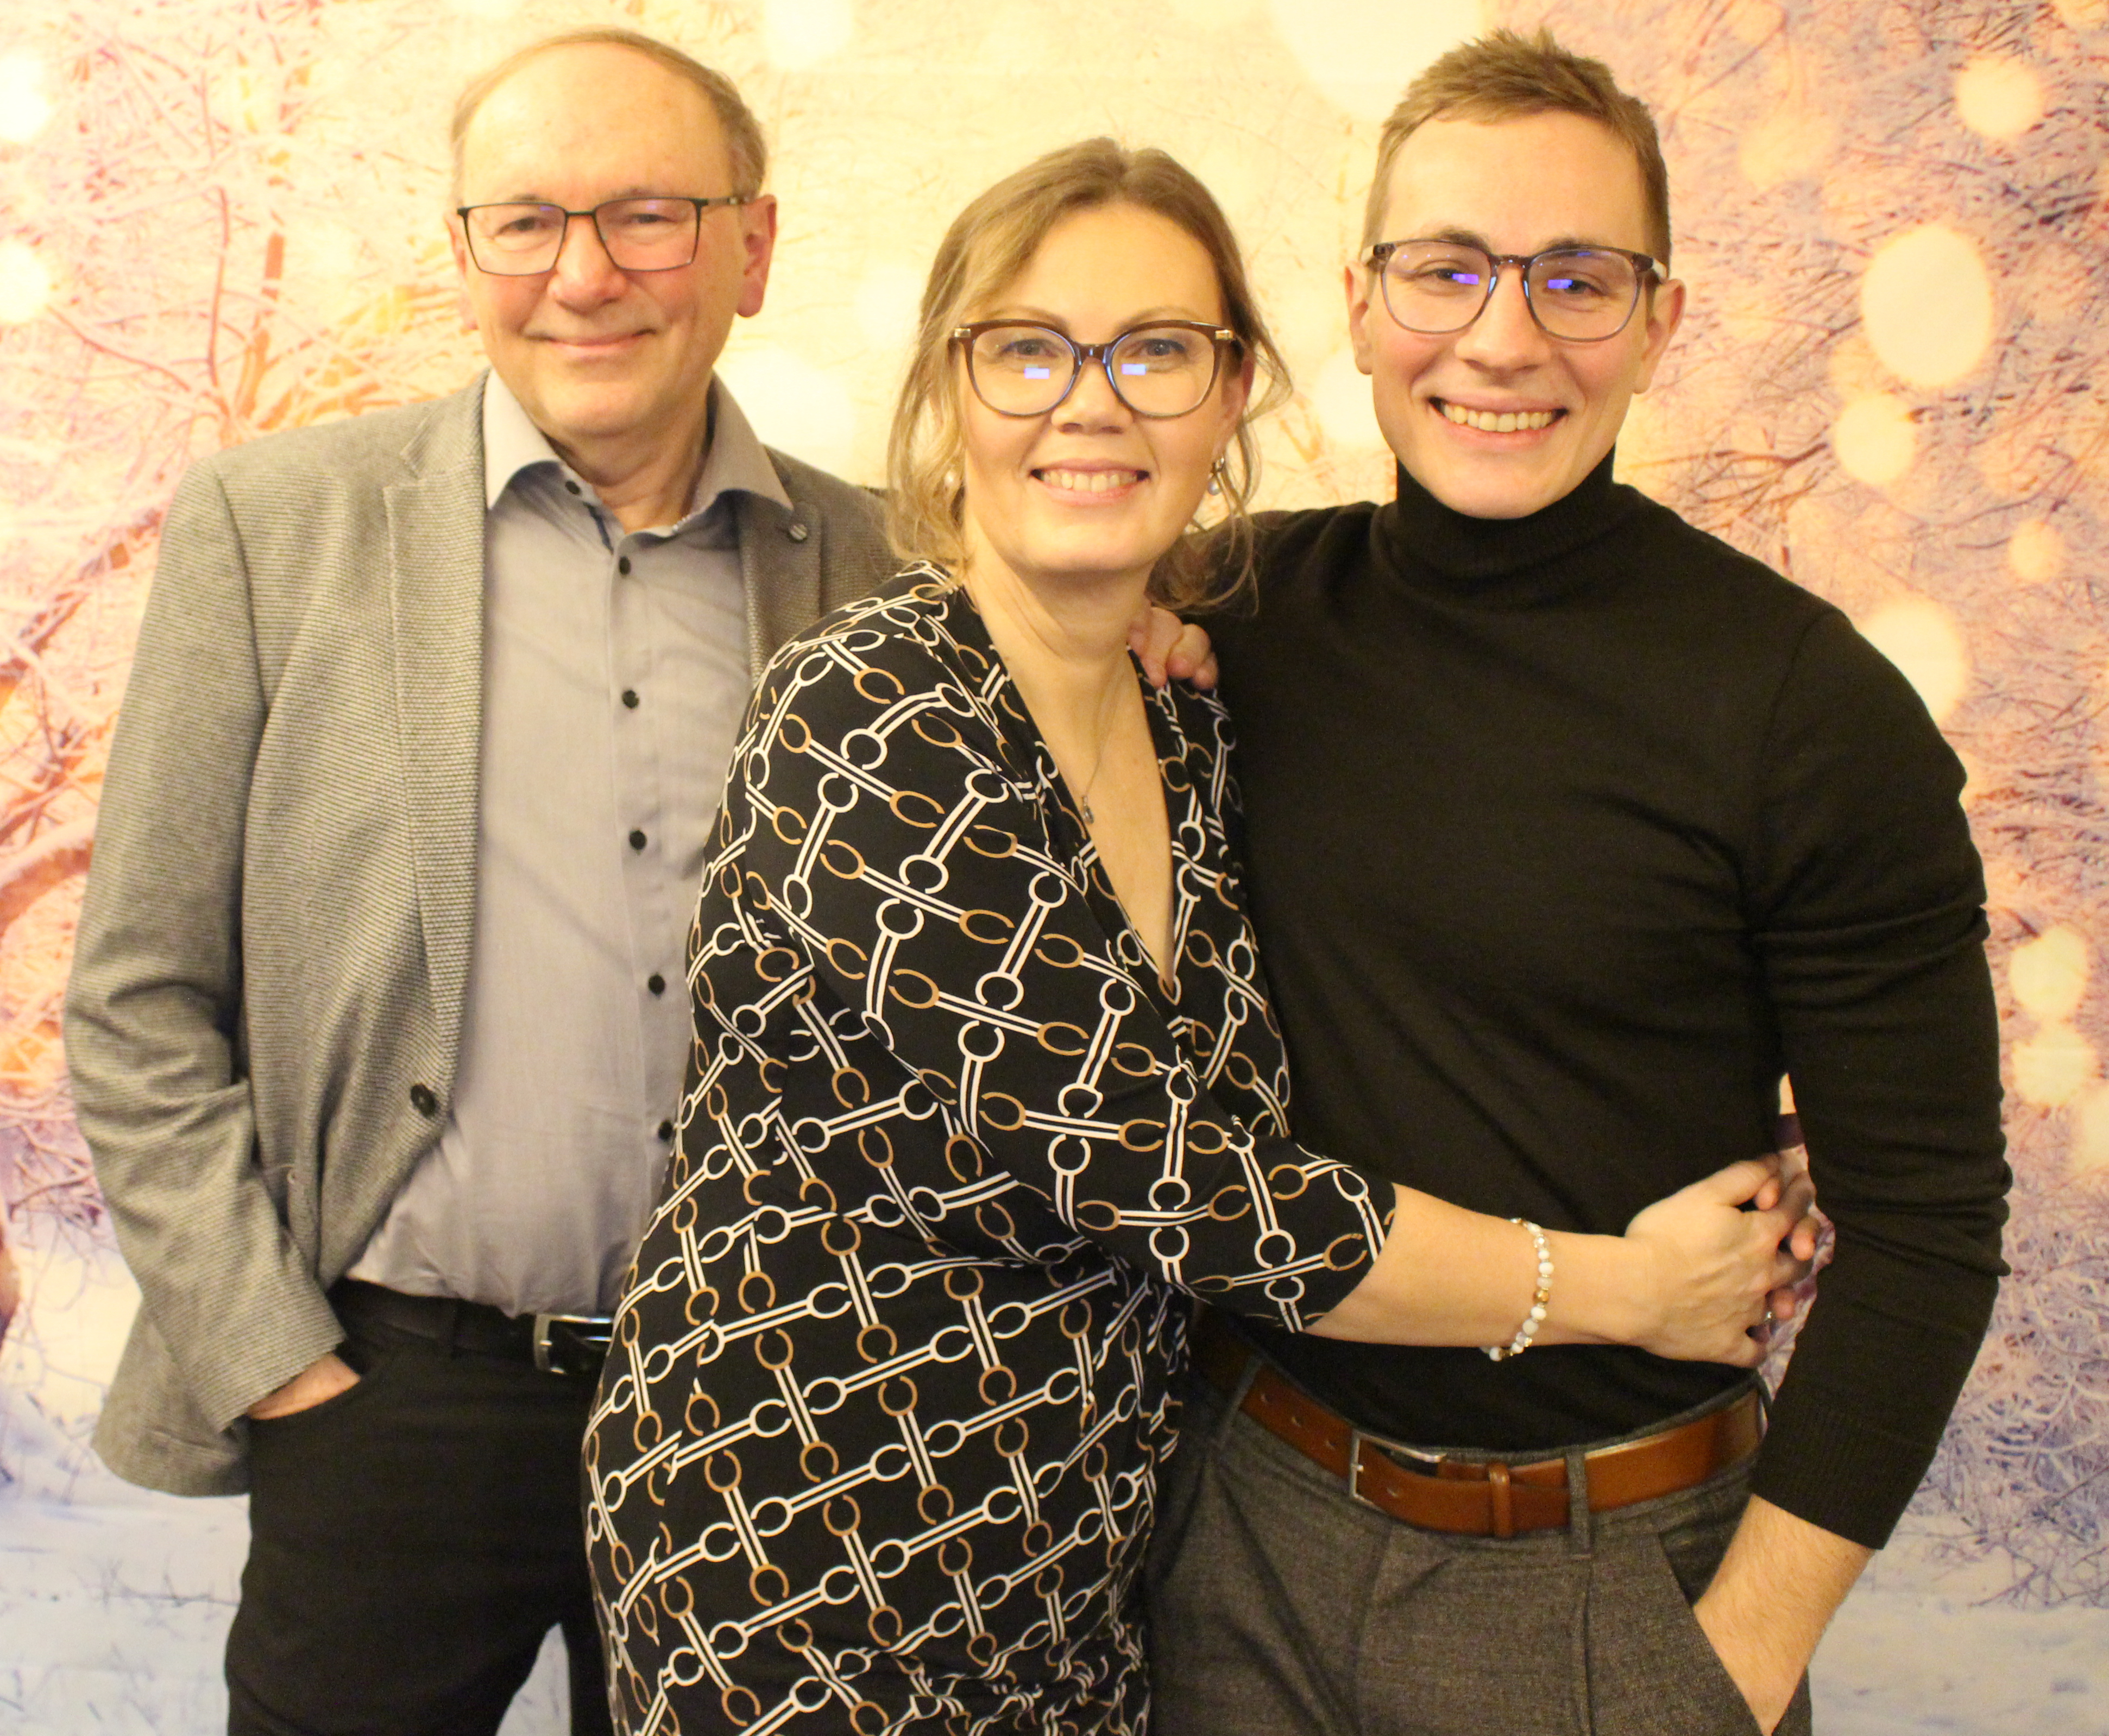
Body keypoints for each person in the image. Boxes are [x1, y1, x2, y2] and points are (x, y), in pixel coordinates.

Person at [583, 137, 1815, 1736]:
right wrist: (1621, 1291)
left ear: (1231, 392)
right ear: (951, 392)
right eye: (1028, 350)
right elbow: (1183, 1181)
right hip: (807, 1566)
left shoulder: (1189, 719)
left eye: (1155, 351)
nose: (1089, 403)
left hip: (1095, 1572)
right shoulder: (871, 719)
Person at [1144, 29, 2010, 1736]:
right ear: (1359, 300)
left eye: (1574, 279)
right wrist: (1106, 638)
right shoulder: (1226, 613)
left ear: (1659, 320)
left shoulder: (1802, 710)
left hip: (1608, 1581)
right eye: (1444, 269)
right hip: (1231, 1540)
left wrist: (1730, 1663)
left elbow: (1927, 1232)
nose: (1501, 337)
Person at [62, 28, 896, 1736]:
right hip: (386, 1406)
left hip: (758, 1411)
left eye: (647, 215)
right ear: (462, 255)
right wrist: (276, 1362)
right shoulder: (272, 529)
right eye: (523, 223)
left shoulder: (894, 565)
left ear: (751, 245)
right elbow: (138, 1000)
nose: (582, 275)